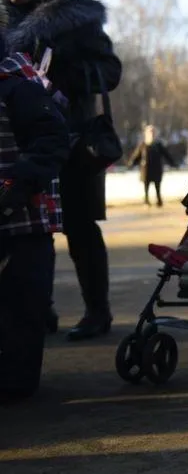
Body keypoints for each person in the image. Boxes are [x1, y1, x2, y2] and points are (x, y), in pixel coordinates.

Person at [0, 0, 122, 341]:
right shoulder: (1, 21)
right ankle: (39, 311)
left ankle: (97, 311)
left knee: (79, 225)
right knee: (24, 230)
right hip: (17, 141)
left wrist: (66, 73)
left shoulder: (75, 20)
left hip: (72, 138)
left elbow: (110, 70)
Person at [0, 43, 70, 403]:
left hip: (23, 220)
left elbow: (52, 139)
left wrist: (18, 183)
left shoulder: (16, 83)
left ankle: (15, 382)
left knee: (22, 304)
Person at [127, 125, 177, 207]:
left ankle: (159, 200)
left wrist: (173, 163)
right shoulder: (143, 145)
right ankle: (146, 201)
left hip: (156, 169)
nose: (151, 134)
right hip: (146, 169)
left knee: (157, 185)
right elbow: (136, 156)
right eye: (150, 132)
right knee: (146, 186)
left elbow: (166, 155)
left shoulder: (158, 145)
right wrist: (131, 163)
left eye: (153, 133)